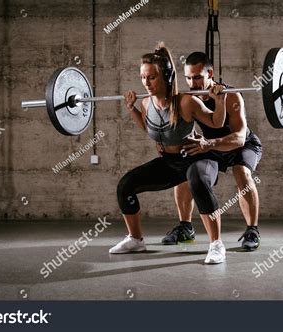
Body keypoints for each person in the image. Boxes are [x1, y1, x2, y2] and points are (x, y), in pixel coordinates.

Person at [109, 42, 229, 264]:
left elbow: (216, 121)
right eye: (143, 77)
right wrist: (131, 108)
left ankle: (216, 245)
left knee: (197, 181)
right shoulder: (145, 103)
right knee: (125, 186)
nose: (146, 83)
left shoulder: (186, 102)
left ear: (166, 76)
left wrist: (220, 101)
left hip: (198, 158)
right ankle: (135, 239)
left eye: (152, 77)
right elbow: (150, 129)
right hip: (171, 163)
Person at [160, 52, 263, 251]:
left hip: (242, 144)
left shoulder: (232, 96)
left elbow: (239, 138)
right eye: (189, 78)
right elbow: (180, 129)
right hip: (212, 146)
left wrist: (210, 143)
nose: (193, 83)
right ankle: (185, 228)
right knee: (185, 171)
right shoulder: (190, 98)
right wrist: (163, 141)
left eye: (197, 77)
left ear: (210, 73)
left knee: (242, 172)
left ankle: (252, 230)